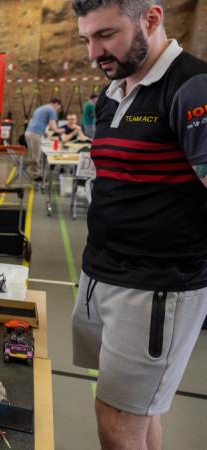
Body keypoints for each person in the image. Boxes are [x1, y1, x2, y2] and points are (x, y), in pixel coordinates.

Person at [72, 1, 207, 449]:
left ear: (151, 18)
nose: (94, 52)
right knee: (139, 413)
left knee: (116, 425)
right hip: (103, 274)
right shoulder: (112, 92)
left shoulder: (191, 87)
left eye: (106, 35)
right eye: (87, 39)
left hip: (156, 286)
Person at [23, 99, 62, 179]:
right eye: (58, 107)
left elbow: (35, 121)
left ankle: (32, 173)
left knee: (32, 155)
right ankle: (36, 176)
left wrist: (44, 132)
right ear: (57, 104)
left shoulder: (40, 108)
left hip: (28, 133)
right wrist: (60, 130)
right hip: (35, 134)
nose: (57, 109)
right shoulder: (52, 110)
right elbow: (52, 126)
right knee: (36, 156)